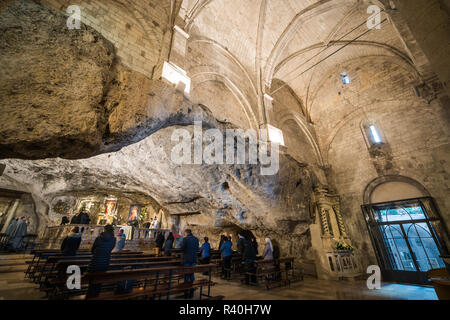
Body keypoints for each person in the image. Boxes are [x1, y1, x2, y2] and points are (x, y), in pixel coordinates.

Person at [86, 225, 116, 298]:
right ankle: (96, 296)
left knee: (92, 282)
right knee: (99, 281)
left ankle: (90, 296)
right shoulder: (113, 239)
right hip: (105, 261)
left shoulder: (99, 238)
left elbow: (93, 250)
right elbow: (110, 248)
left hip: (96, 261)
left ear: (104, 230)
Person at [180, 229, 199, 298]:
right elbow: (197, 248)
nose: (184, 234)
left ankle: (186, 292)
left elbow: (182, 249)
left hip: (187, 259)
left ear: (186, 233)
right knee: (192, 274)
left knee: (187, 276)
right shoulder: (196, 239)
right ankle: (191, 291)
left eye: (184, 233)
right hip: (194, 259)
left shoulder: (185, 239)